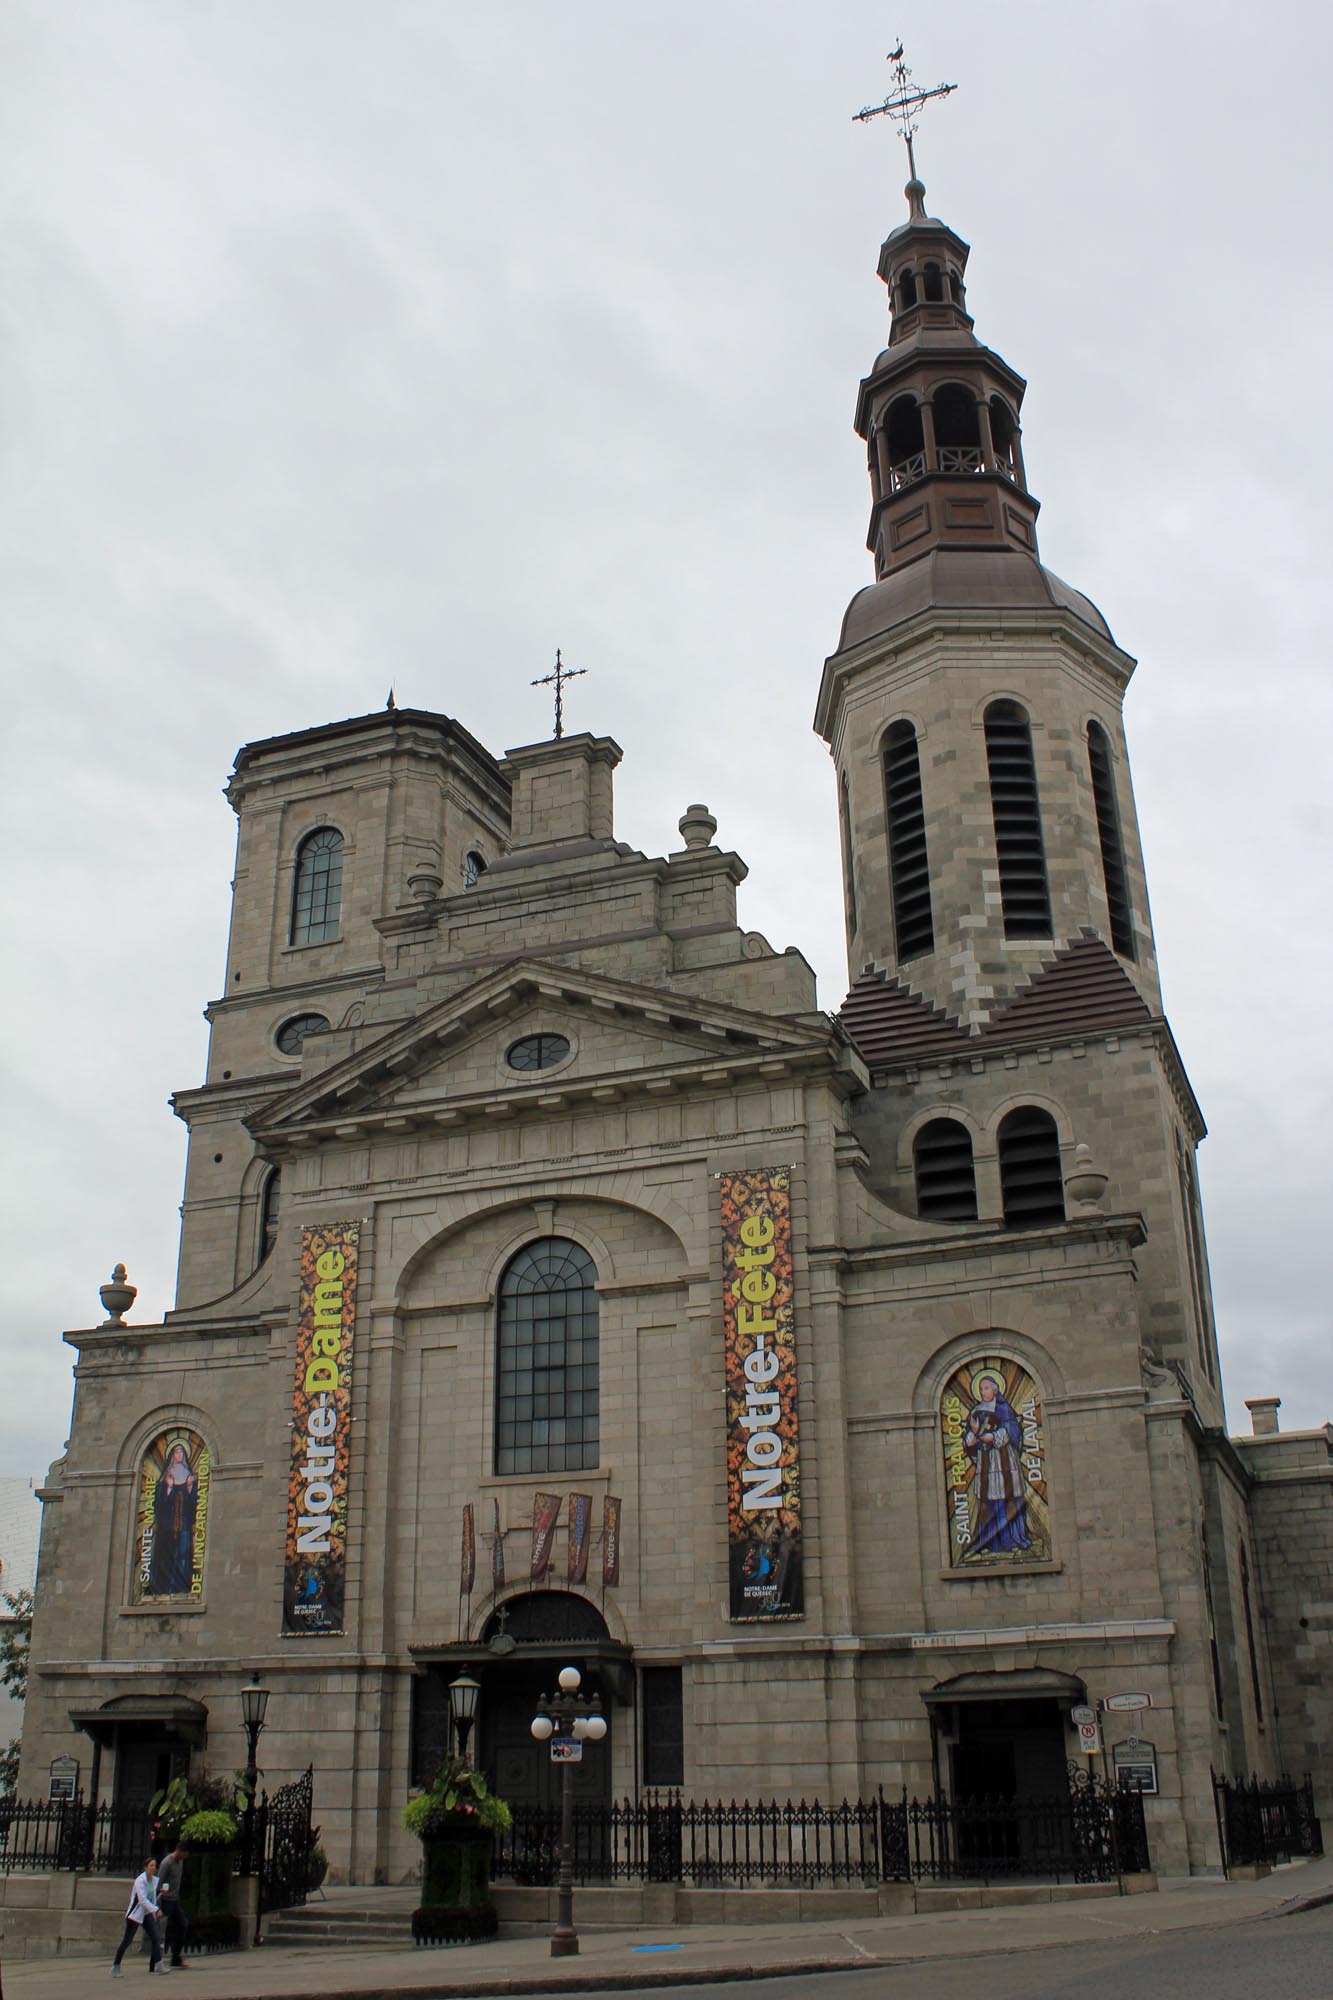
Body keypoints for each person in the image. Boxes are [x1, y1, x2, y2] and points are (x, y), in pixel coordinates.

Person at [962, 1372, 1031, 1556]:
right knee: (988, 1502)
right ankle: (990, 1541)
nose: (983, 1391)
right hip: (986, 1462)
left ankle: (1011, 1539)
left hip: (1004, 1460)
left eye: (986, 1388)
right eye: (981, 1389)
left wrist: (992, 1437)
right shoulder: (976, 1411)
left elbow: (1011, 1431)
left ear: (995, 1389)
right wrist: (974, 1436)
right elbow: (969, 1438)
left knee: (1007, 1498)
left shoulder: (1004, 1409)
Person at [148, 1441, 199, 1596]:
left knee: (183, 1555)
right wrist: (169, 1488)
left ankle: (181, 1588)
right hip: (167, 1527)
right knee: (165, 1557)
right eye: (176, 1452)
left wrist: (190, 1487)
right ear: (172, 1455)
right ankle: (162, 1588)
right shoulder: (166, 1477)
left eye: (181, 1452)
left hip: (183, 1526)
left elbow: (194, 1504)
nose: (179, 1455)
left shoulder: (187, 1474)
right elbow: (158, 1506)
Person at [111, 1855, 165, 1975]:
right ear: (145, 1867)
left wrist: (160, 1892)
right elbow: (142, 1899)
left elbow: (152, 1895)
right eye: (151, 1865)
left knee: (156, 1938)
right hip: (135, 1914)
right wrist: (155, 1910)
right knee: (127, 1940)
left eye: (154, 1866)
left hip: (147, 1914)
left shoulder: (155, 1880)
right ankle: (116, 1966)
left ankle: (157, 1966)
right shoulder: (140, 1881)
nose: (153, 1868)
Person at [156, 1842, 189, 1969]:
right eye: (184, 1854)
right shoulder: (166, 1863)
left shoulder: (180, 1862)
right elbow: (159, 1882)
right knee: (161, 1929)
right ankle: (157, 1959)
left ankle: (176, 1957)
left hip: (175, 1900)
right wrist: (158, 1903)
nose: (185, 1857)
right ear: (180, 1851)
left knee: (183, 1924)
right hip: (166, 1900)